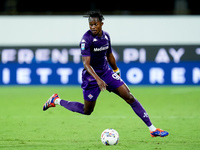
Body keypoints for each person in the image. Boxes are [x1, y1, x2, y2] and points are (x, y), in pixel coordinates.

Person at [43, 10, 169, 137]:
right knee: (87, 111)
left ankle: (153, 129)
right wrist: (98, 80)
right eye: (90, 24)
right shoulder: (86, 40)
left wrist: (116, 70)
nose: (93, 27)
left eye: (95, 24)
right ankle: (56, 100)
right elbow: (86, 64)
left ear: (101, 24)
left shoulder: (106, 36)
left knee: (129, 97)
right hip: (91, 78)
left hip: (106, 73)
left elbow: (109, 55)